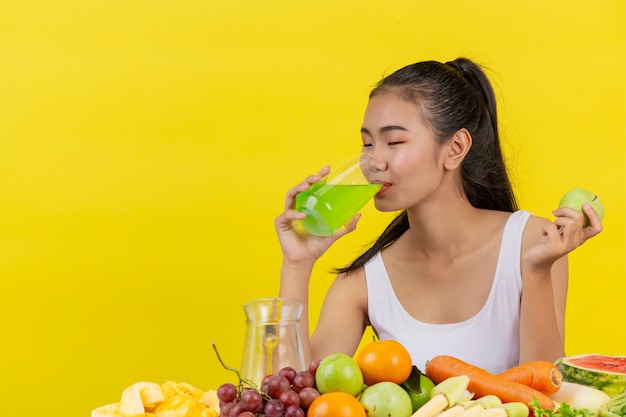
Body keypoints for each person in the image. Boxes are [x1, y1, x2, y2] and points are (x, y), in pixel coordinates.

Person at [274, 57, 603, 374]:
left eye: (393, 141)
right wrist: (297, 263)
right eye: (367, 144)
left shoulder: (533, 244)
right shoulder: (365, 281)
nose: (374, 162)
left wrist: (537, 270)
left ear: (456, 148)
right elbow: (291, 393)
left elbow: (548, 391)